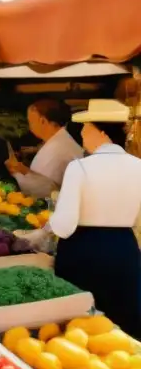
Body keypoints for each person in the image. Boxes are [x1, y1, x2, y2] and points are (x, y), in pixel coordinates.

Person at [48, 99, 141, 337]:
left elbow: (64, 226)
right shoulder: (138, 166)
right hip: (125, 251)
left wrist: (51, 219)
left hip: (84, 251)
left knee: (80, 329)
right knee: (124, 329)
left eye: (85, 126)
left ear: (100, 131)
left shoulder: (80, 167)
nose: (81, 133)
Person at [5, 99, 83, 199]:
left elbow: (45, 190)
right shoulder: (60, 140)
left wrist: (15, 172)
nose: (30, 127)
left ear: (42, 121)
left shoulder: (57, 148)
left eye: (31, 122)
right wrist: (24, 171)